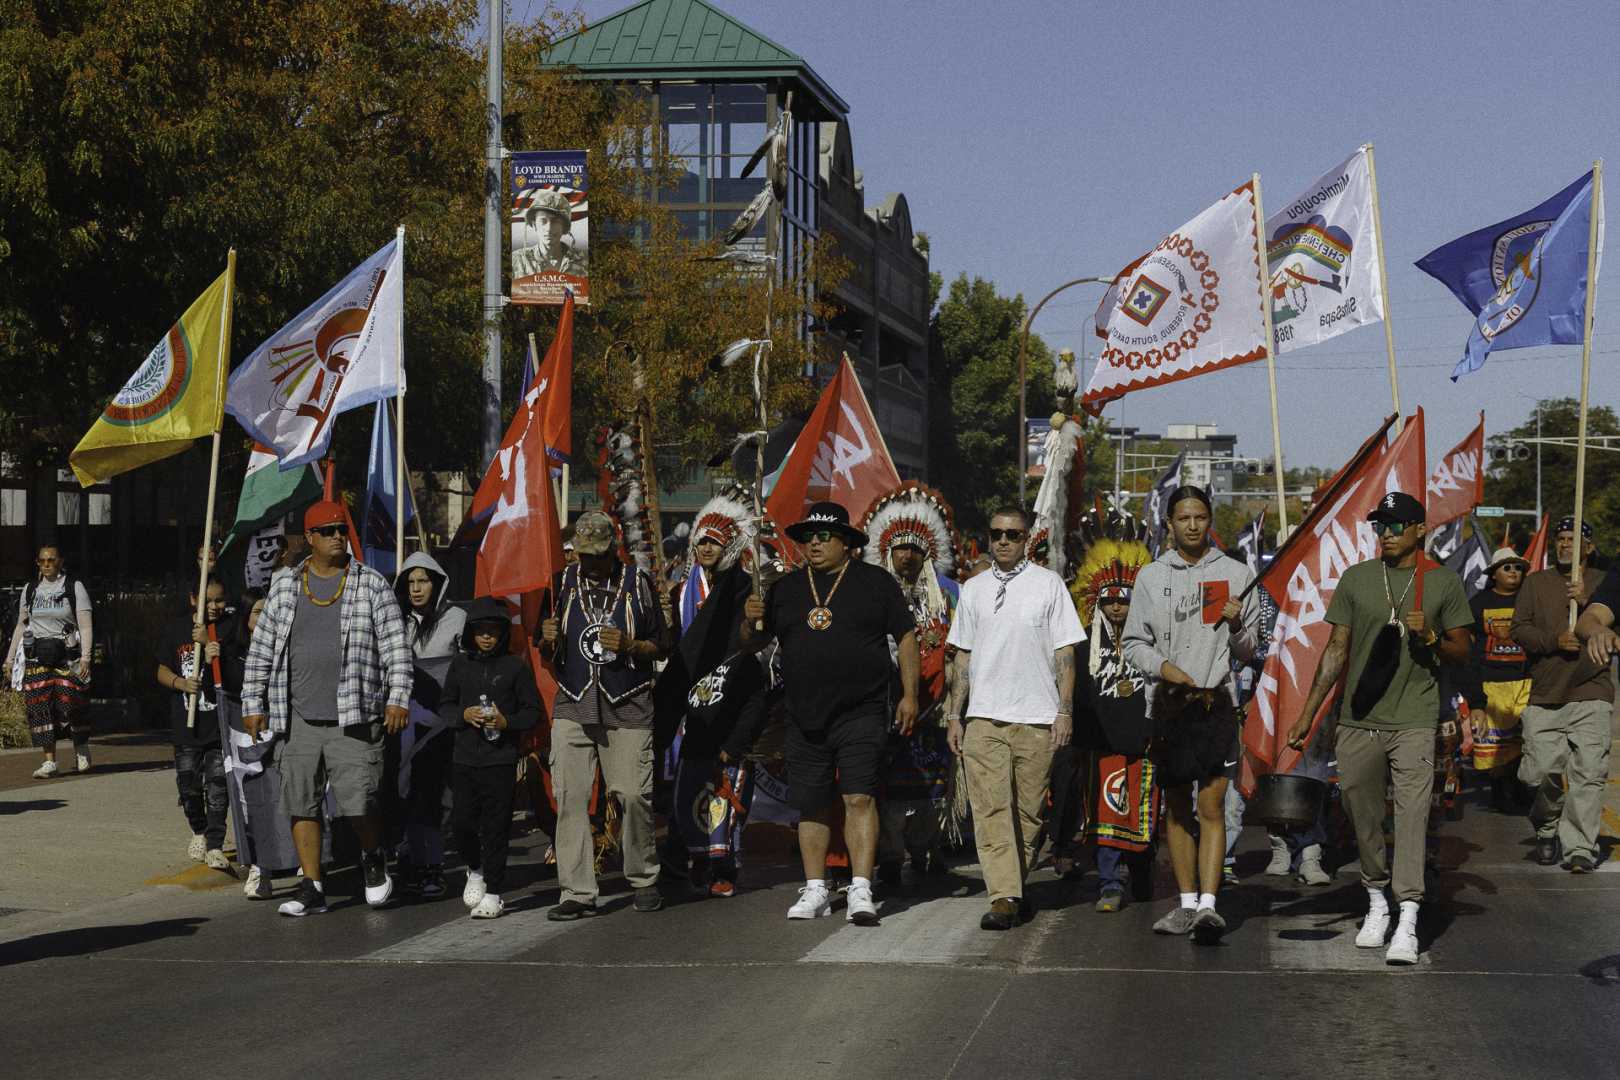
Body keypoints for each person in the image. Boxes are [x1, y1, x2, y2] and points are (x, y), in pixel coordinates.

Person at [1287, 491, 1472, 965]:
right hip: (1359, 718)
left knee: (1412, 816)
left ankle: (1407, 914)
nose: (1385, 534)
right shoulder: (1357, 579)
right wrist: (1308, 714)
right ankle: (1376, 899)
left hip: (1415, 717)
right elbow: (1336, 650)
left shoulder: (1442, 582)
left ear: (1418, 530)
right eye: (1380, 526)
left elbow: (1462, 649)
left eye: (1395, 526)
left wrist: (1430, 637)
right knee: (1358, 807)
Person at [741, 501, 918, 926]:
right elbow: (751, 644)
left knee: (858, 796)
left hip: (862, 710)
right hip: (803, 713)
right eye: (807, 538)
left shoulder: (875, 583)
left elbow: (907, 637)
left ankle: (860, 887)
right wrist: (751, 621)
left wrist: (909, 695)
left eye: (823, 537)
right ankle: (816, 887)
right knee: (811, 803)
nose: (813, 544)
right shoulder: (783, 590)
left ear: (846, 543)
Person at [241, 501, 413, 918]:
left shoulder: (370, 584)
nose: (339, 536)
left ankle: (373, 859)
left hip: (354, 716)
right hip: (297, 717)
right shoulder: (284, 586)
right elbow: (261, 650)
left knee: (359, 801)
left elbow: (395, 646)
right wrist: (253, 702)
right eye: (329, 530)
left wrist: (397, 697)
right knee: (302, 803)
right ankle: (311, 885)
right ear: (311, 538)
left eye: (342, 529)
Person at [1123, 485, 1260, 944]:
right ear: (1170, 523)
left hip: (1216, 702)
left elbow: (1249, 650)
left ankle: (1209, 906)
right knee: (1178, 808)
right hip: (1169, 706)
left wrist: (1239, 623)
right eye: (1183, 518)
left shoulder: (1238, 575)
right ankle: (1185, 904)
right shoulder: (1150, 577)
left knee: (1211, 806)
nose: (1193, 525)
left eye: (1200, 517)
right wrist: (1165, 669)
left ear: (1210, 521)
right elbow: (1132, 644)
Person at [944, 506, 1082, 931]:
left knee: (1028, 813)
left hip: (1037, 718)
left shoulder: (1049, 585)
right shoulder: (973, 588)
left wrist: (1064, 711)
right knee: (990, 810)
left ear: (1027, 539)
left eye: (1013, 535)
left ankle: (1012, 885)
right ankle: (1003, 896)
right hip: (984, 717)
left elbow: (1065, 653)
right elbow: (962, 654)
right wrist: (955, 714)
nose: (1004, 541)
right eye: (997, 533)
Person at [540, 510, 672, 920]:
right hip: (573, 703)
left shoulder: (637, 583)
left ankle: (644, 877)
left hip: (627, 702)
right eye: (583, 554)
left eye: (597, 555)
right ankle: (576, 891)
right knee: (570, 797)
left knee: (632, 794)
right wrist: (547, 641)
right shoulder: (561, 584)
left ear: (613, 549)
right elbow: (549, 654)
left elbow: (664, 645)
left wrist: (632, 645)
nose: (590, 562)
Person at [662, 487, 770, 897]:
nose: (706, 547)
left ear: (728, 545)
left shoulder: (745, 586)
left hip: (735, 688)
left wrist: (755, 621)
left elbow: (754, 645)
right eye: (701, 541)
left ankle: (725, 866)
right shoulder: (682, 589)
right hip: (692, 698)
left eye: (714, 541)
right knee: (688, 786)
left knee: (727, 787)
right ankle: (690, 861)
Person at [862, 483, 960, 886]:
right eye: (900, 549)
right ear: (887, 551)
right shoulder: (872, 592)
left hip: (935, 710)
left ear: (927, 554)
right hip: (885, 708)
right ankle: (888, 855)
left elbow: (961, 648)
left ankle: (926, 848)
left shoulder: (949, 596)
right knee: (886, 790)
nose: (907, 556)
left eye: (915, 549)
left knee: (932, 790)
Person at [1515, 519, 1612, 873]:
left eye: (1574, 540)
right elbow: (1519, 628)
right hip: (1546, 692)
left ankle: (1580, 848)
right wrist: (1553, 641)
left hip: (1592, 688)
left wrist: (1588, 602)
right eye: (1561, 539)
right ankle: (1546, 826)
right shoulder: (1535, 583)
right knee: (1539, 773)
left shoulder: (1604, 581)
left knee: (1589, 772)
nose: (1565, 545)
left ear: (1589, 546)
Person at [1070, 537, 1159, 912]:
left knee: (1143, 818)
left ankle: (1141, 871)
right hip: (1101, 745)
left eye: (1124, 600)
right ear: (1098, 603)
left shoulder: (1153, 640)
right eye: (1110, 600)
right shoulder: (1083, 644)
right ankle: (1108, 883)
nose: (1118, 606)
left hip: (1144, 743)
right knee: (1105, 815)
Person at [440, 598, 541, 919]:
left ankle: (495, 893)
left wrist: (506, 722)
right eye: (480, 631)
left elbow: (533, 712)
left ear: (502, 634)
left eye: (493, 631)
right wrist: (463, 715)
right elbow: (445, 707)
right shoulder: (460, 664)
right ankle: (475, 869)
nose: (486, 637)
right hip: (464, 757)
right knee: (462, 823)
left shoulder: (515, 667)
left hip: (500, 760)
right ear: (470, 633)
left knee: (496, 827)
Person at [390, 552, 467, 899]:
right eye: (410, 582)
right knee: (407, 793)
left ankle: (437, 865)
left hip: (446, 723)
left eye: (423, 581)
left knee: (439, 797)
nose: (417, 588)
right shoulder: (395, 622)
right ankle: (413, 859)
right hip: (404, 722)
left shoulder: (457, 618)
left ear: (437, 583)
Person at [221, 588, 299, 901]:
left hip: (282, 731)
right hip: (246, 737)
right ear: (245, 617)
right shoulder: (231, 653)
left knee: (292, 796)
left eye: (268, 611)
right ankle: (259, 867)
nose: (264, 618)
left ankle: (303, 863)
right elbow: (228, 687)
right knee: (251, 802)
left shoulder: (287, 648)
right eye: (257, 612)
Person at [156, 576, 233, 871]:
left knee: (217, 786)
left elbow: (238, 668)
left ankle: (215, 843)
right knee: (188, 783)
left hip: (218, 724)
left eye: (219, 600)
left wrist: (211, 645)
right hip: (187, 724)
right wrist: (179, 683)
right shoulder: (176, 629)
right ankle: (198, 830)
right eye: (207, 600)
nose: (214, 607)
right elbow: (161, 669)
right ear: (193, 600)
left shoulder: (229, 628)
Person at [6, 545, 94, 779]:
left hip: (67, 655)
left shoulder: (73, 587)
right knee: (39, 708)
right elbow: (22, 624)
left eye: (51, 560)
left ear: (60, 561)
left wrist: (85, 657)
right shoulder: (31, 589)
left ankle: (81, 747)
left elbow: (85, 624)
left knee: (71, 703)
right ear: (37, 563)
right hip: (38, 656)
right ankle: (49, 761)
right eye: (42, 560)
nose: (46, 564)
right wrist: (10, 658)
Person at [1461, 547, 1532, 810]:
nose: (1513, 572)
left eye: (1517, 568)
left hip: (1526, 682)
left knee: (1524, 741)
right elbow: (1465, 645)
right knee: (1497, 749)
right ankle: (1500, 792)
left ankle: (1520, 790)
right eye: (1507, 567)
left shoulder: (1530, 601)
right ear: (1494, 574)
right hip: (1491, 684)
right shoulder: (1478, 604)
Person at [513, 188, 585, 278]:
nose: (549, 228)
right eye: (543, 221)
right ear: (534, 225)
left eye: (555, 221)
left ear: (564, 227)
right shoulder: (517, 260)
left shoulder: (583, 261)